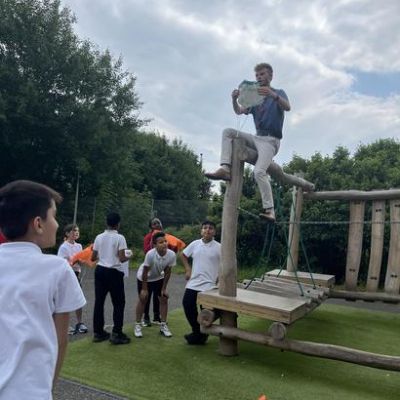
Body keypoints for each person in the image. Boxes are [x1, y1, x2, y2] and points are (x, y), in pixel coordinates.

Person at [0, 180, 86, 399]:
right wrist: (49, 389)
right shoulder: (58, 269)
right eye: (54, 216)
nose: (57, 224)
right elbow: (60, 341)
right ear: (38, 223)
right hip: (30, 391)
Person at [205, 63, 291, 222]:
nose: (259, 77)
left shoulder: (278, 93)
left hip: (271, 140)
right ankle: (225, 168)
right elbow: (239, 111)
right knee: (228, 132)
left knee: (258, 172)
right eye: (257, 75)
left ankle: (270, 210)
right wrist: (234, 99)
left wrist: (272, 95)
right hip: (257, 137)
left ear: (270, 76)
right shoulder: (255, 97)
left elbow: (287, 107)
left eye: (262, 74)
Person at [91, 212, 133, 345]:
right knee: (119, 303)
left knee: (99, 302)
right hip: (114, 272)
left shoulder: (99, 237)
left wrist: (103, 255)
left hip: (100, 270)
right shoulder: (120, 238)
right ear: (118, 224)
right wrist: (130, 256)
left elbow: (93, 257)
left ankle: (98, 333)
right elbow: (121, 258)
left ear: (107, 222)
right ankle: (117, 333)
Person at [181, 220, 221, 345]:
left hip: (210, 285)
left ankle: (201, 334)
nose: (207, 230)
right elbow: (183, 255)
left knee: (207, 312)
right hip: (194, 283)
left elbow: (227, 263)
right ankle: (197, 332)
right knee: (187, 304)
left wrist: (220, 278)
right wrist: (188, 269)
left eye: (210, 228)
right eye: (205, 227)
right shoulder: (195, 244)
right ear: (201, 230)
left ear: (214, 232)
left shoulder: (219, 247)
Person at [142, 217, 186, 327]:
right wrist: (153, 244)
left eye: (159, 222)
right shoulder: (148, 237)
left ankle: (157, 316)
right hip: (150, 271)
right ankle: (146, 317)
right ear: (151, 227)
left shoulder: (166, 237)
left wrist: (175, 246)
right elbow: (146, 251)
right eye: (154, 223)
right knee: (147, 295)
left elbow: (171, 250)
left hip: (161, 272)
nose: (157, 224)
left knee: (159, 295)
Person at [134, 231, 176, 339]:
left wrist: (164, 288)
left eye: (165, 241)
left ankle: (163, 325)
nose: (164, 244)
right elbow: (145, 271)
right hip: (144, 278)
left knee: (164, 298)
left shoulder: (171, 254)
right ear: (154, 245)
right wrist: (144, 289)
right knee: (143, 299)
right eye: (161, 242)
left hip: (158, 277)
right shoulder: (150, 254)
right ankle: (138, 325)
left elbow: (168, 272)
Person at [57, 223, 88, 335]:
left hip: (76, 273)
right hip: (66, 274)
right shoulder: (64, 247)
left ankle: (79, 323)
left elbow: (82, 261)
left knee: (78, 297)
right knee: (66, 299)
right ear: (67, 233)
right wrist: (74, 261)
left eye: (77, 231)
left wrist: (83, 260)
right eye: (74, 231)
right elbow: (61, 264)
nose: (76, 233)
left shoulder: (79, 246)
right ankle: (64, 325)